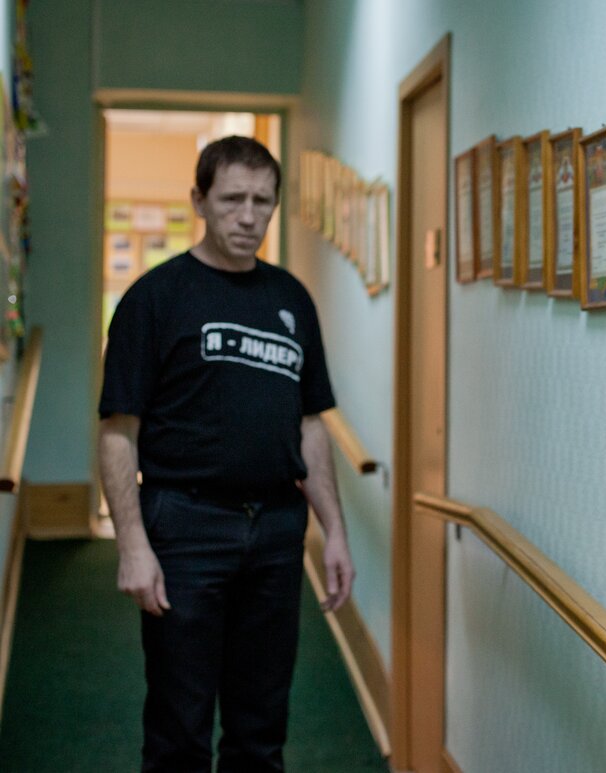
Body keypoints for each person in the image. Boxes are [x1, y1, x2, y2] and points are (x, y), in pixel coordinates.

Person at [97, 136, 355, 772]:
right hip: (185, 526)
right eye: (232, 199)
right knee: (179, 729)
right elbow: (117, 431)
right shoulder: (154, 299)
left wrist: (335, 532)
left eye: (262, 201)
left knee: (260, 728)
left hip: (275, 530)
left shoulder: (291, 299)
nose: (248, 216)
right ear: (199, 201)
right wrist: (132, 545)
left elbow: (310, 424)